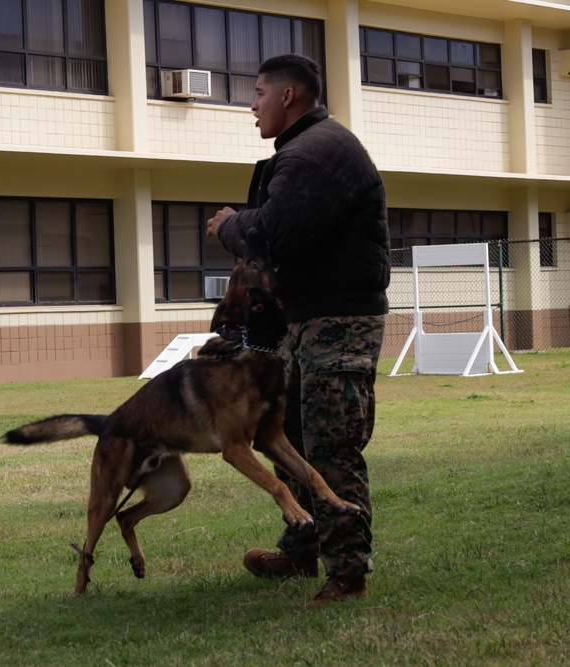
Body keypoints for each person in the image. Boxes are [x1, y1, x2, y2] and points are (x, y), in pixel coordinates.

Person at [206, 55, 390, 608]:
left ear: (288, 96)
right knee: (295, 437)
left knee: (331, 443)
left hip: (340, 320)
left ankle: (348, 573)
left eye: (259, 93)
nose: (252, 105)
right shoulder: (307, 150)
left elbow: (272, 233)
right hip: (306, 319)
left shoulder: (316, 153)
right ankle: (302, 547)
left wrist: (228, 226)